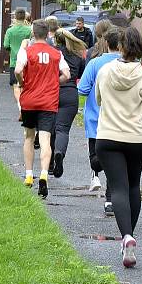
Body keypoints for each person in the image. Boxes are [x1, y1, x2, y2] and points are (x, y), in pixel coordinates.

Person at [95, 26, 142, 268]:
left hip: (108, 136)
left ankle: (126, 236)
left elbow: (98, 100)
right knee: (133, 186)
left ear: (121, 47)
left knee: (118, 188)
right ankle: (129, 236)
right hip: (136, 138)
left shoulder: (105, 71)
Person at [15, 19, 70, 199]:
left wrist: (23, 82)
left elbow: (17, 70)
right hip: (48, 102)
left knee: (29, 137)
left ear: (33, 34)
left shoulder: (26, 51)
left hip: (29, 100)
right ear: (47, 34)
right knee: (45, 139)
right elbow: (67, 74)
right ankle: (45, 175)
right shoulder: (56, 54)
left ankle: (29, 175)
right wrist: (55, 81)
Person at [78, 26, 123, 213]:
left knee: (95, 159)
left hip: (96, 119)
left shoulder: (95, 64)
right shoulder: (129, 65)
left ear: (105, 42)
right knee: (117, 161)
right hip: (120, 120)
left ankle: (97, 171)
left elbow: (82, 89)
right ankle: (110, 200)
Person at [50, 28, 87, 178]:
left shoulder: (52, 54)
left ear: (56, 40)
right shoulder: (78, 56)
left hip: (52, 92)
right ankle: (60, 153)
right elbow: (80, 74)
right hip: (70, 93)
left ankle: (51, 163)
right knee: (63, 130)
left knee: (50, 129)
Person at [4, 8, 32, 115]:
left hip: (14, 61)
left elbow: (6, 45)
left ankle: (21, 107)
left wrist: (11, 49)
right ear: (25, 17)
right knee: (26, 85)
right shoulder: (29, 30)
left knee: (16, 85)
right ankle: (26, 106)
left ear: (15, 17)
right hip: (28, 61)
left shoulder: (10, 31)